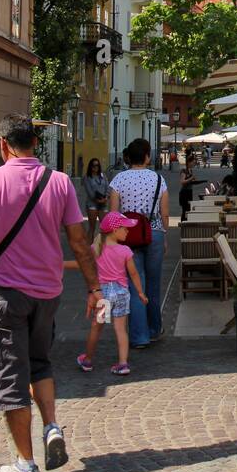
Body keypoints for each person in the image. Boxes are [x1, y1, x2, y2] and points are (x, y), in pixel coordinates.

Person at [0, 114, 101, 472]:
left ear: (4, 145)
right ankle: (51, 426)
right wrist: (94, 288)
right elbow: (79, 241)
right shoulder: (59, 182)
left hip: (5, 294)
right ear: (35, 144)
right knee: (40, 363)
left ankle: (25, 465)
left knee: (9, 376)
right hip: (48, 293)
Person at [108, 137, 169, 350]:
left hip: (128, 238)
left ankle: (139, 336)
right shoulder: (159, 180)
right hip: (154, 233)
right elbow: (165, 213)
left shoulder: (118, 181)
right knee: (153, 285)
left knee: (135, 287)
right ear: (146, 156)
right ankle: (154, 330)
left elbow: (114, 215)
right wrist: (164, 236)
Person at [70, 213, 146, 375]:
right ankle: (123, 363)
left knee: (96, 328)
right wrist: (140, 292)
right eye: (124, 228)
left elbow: (83, 266)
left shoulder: (95, 249)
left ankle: (87, 360)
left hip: (103, 296)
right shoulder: (125, 250)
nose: (127, 231)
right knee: (120, 330)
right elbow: (133, 274)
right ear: (114, 230)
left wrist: (59, 264)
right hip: (121, 293)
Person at [82, 158, 109, 239]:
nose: (95, 167)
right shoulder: (87, 177)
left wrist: (106, 198)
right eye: (93, 165)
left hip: (103, 203)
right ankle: (88, 249)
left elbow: (108, 187)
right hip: (92, 204)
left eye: (97, 165)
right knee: (92, 227)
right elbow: (89, 192)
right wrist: (97, 200)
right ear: (90, 167)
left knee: (105, 228)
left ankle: (104, 249)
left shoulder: (103, 175)